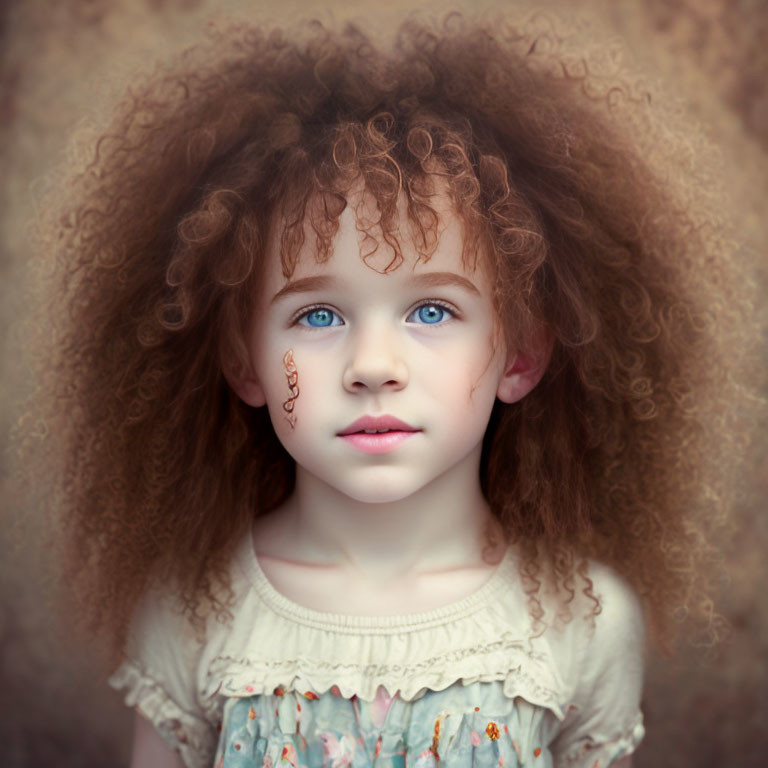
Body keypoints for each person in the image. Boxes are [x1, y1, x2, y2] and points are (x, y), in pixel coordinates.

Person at [19, 10, 757, 768]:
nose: (373, 365)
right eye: (317, 312)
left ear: (522, 355)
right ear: (246, 363)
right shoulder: (192, 613)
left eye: (433, 310)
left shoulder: (584, 622)